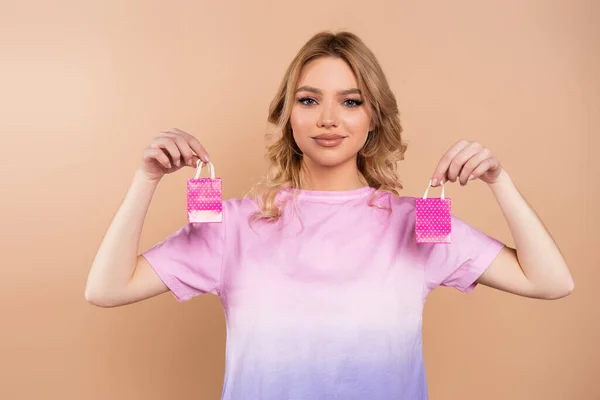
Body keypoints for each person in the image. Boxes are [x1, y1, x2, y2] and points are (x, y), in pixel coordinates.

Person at [85, 31, 574, 400]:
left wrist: (499, 181)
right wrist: (145, 180)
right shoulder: (231, 227)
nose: (327, 119)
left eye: (351, 101)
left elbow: (551, 281)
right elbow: (106, 289)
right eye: (309, 100)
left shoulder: (418, 224)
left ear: (373, 117)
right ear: (288, 114)